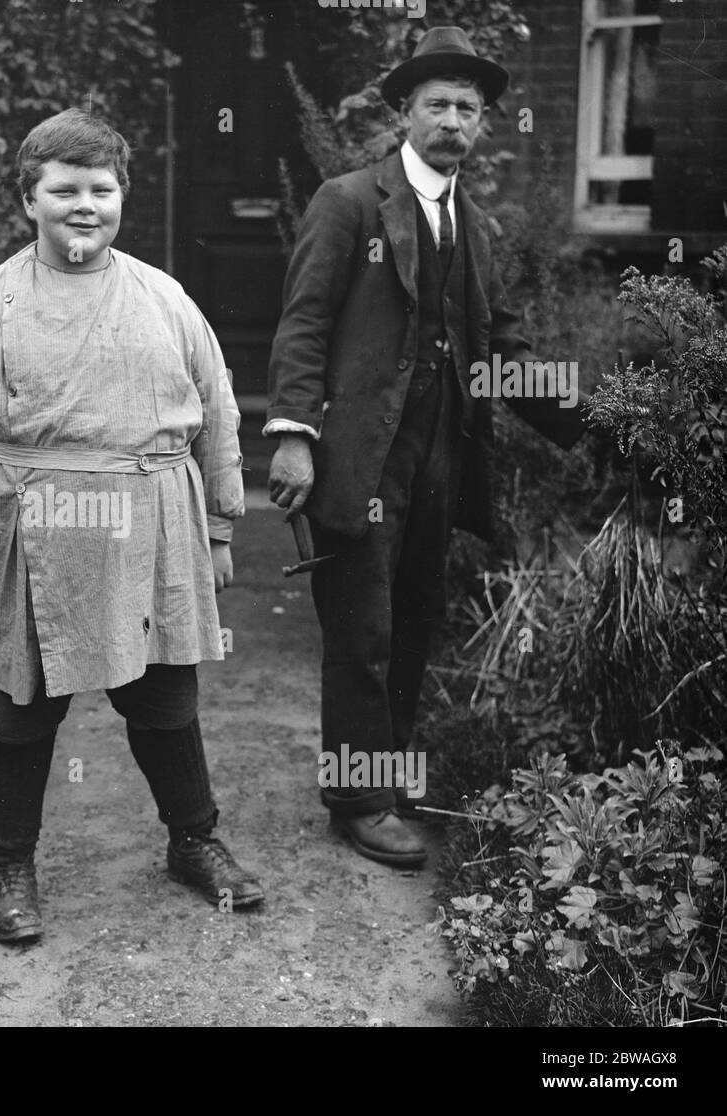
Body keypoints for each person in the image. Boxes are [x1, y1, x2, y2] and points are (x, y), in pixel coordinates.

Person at [0, 108, 263, 943]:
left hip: (150, 531)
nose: (84, 205)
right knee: (18, 710)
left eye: (101, 189)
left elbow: (219, 410)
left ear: (121, 198)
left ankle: (194, 840)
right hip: (26, 533)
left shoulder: (165, 298)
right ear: (29, 199)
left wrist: (217, 527)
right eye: (63, 189)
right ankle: (9, 863)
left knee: (166, 698)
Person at [265, 27, 584, 867]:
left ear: (482, 125)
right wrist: (295, 436)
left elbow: (506, 354)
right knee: (361, 629)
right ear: (404, 112)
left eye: (467, 109)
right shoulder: (348, 202)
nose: (452, 121)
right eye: (436, 105)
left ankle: (390, 779)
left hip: (443, 455)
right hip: (361, 456)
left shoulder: (475, 227)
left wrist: (596, 420)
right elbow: (303, 324)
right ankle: (360, 802)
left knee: (412, 624)